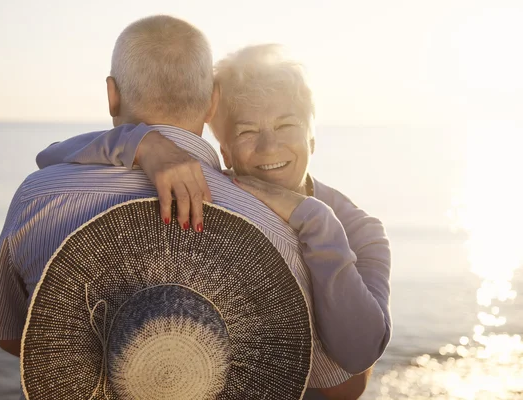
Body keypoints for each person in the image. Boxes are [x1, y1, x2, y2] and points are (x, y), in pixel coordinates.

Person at [0, 16, 367, 399]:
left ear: (112, 94)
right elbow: (335, 383)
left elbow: (11, 335)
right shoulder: (276, 232)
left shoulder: (38, 197)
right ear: (213, 101)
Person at [37, 44, 392, 379]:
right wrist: (143, 144)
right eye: (248, 131)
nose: (270, 146)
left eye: (286, 126)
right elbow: (50, 156)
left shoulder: (361, 230)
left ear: (312, 139)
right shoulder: (209, 197)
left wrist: (316, 219)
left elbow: (359, 355)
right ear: (225, 152)